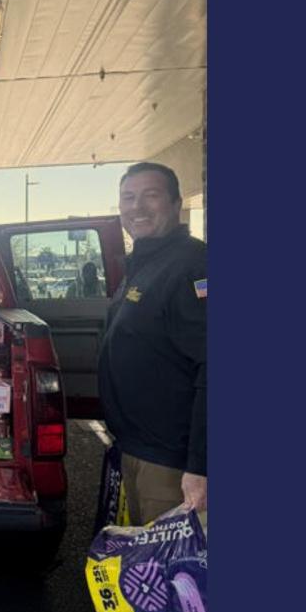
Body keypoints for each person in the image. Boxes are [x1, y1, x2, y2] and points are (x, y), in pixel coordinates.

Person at [98, 162, 207, 525]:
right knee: (147, 570)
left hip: (173, 464)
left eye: (151, 195)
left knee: (178, 575)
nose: (137, 207)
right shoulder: (146, 262)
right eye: (128, 197)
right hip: (139, 450)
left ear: (177, 203)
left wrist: (202, 467)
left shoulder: (193, 266)